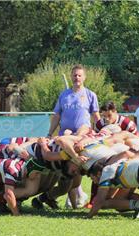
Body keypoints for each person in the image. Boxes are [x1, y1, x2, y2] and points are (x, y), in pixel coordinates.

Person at [47, 64, 100, 208]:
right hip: (65, 139)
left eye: (79, 75)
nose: (77, 77)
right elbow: (57, 115)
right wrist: (49, 133)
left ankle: (75, 197)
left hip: (81, 139)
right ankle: (71, 200)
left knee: (77, 169)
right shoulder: (64, 95)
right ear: (71, 77)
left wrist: (100, 130)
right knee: (65, 169)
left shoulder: (90, 95)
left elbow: (95, 116)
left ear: (84, 77)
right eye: (74, 75)